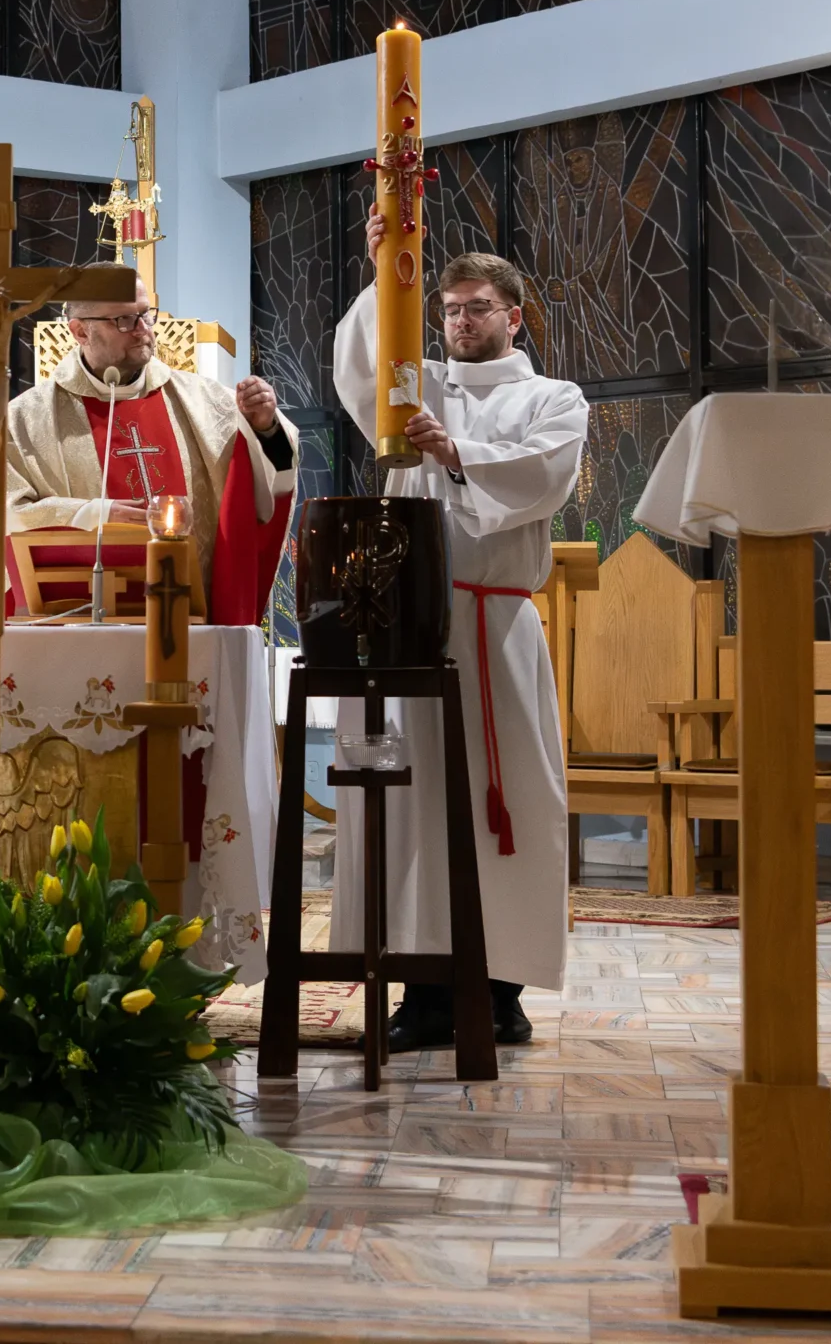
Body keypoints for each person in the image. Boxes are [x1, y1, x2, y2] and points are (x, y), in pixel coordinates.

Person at [330, 225, 587, 1049]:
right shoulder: (419, 383)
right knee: (417, 808)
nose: (460, 321)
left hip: (494, 626)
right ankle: (422, 991)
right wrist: (385, 270)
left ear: (516, 316)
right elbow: (360, 372)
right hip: (413, 627)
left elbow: (542, 475)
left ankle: (501, 990)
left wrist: (456, 453)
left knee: (505, 806)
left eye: (477, 307)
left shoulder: (553, 398)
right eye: (447, 309)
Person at [2, 264, 297, 622]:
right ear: (80, 331)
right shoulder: (24, 420)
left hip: (192, 622)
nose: (143, 329)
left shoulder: (206, 402)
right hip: (76, 625)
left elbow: (268, 486)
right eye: (124, 321)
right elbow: (3, 516)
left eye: (146, 314)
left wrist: (265, 428)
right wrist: (95, 515)